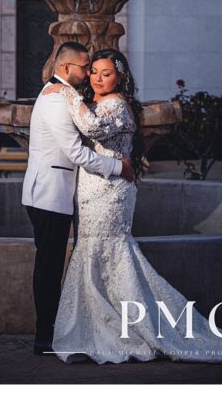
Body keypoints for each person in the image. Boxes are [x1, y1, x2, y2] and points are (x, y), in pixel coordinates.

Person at [44, 48, 222, 364]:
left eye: (106, 73)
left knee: (107, 252)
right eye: (93, 71)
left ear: (120, 77)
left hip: (111, 191)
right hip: (91, 188)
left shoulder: (117, 105)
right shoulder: (94, 103)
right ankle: (96, 326)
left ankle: (133, 329)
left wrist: (66, 93)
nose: (98, 78)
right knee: (93, 252)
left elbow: (91, 128)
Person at [22, 41, 136, 356]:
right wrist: (118, 167)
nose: (88, 75)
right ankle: (44, 336)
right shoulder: (59, 99)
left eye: (97, 70)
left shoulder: (58, 93)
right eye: (85, 68)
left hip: (51, 193)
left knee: (51, 265)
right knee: (48, 268)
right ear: (67, 68)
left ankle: (58, 330)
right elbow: (75, 152)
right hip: (50, 195)